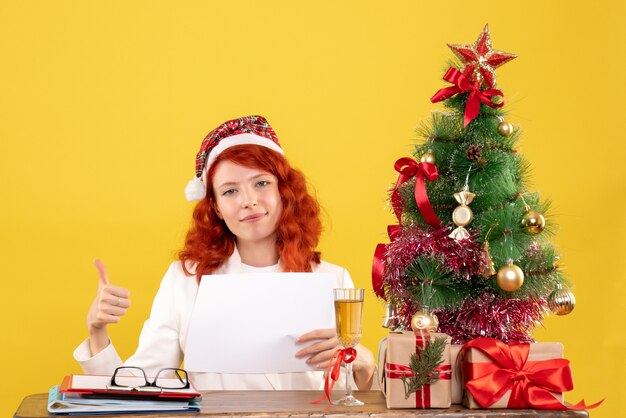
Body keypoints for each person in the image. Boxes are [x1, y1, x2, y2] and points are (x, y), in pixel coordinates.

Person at [74, 115, 376, 391]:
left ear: (284, 192)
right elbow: (135, 388)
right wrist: (97, 331)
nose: (249, 201)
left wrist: (364, 362)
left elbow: (356, 397)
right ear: (216, 206)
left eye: (261, 183)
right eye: (230, 190)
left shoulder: (333, 279)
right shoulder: (186, 279)